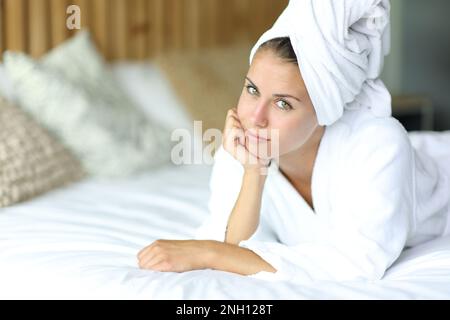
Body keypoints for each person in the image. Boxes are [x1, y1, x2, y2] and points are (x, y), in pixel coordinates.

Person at [137, 0, 450, 282]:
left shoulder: (380, 145)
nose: (256, 117)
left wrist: (207, 254)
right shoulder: (243, 148)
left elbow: (358, 263)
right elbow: (232, 244)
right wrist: (253, 173)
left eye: (283, 103)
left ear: (325, 110)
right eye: (252, 89)